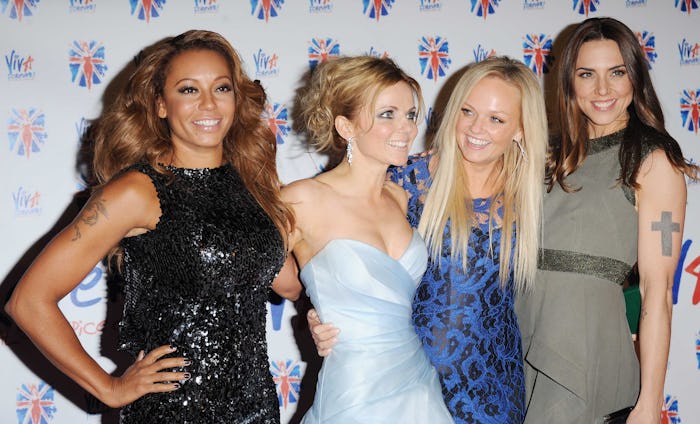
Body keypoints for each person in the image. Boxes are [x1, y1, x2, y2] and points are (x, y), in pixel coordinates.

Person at [5, 30, 299, 423]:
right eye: (189, 89)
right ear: (161, 104)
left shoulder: (250, 184)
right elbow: (28, 302)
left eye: (222, 88)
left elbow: (290, 283)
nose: (209, 103)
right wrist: (110, 389)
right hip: (173, 410)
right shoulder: (137, 191)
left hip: (256, 407)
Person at [308, 56, 548, 423]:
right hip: (408, 385)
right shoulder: (405, 180)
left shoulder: (537, 195)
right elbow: (334, 251)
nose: (476, 129)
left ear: (521, 129)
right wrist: (323, 312)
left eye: (496, 119)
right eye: (467, 111)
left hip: (493, 391)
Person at [516, 17, 699, 423]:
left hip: (587, 357)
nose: (602, 90)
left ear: (635, 77)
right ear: (569, 81)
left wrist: (649, 403)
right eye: (587, 74)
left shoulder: (652, 161)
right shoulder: (548, 155)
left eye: (616, 73)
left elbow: (657, 292)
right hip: (520, 337)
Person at [282, 55, 453, 423]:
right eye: (387, 114)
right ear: (346, 126)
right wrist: (314, 312)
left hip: (417, 385)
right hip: (354, 392)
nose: (406, 128)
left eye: (410, 114)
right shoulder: (303, 199)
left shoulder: (399, 197)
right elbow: (253, 279)